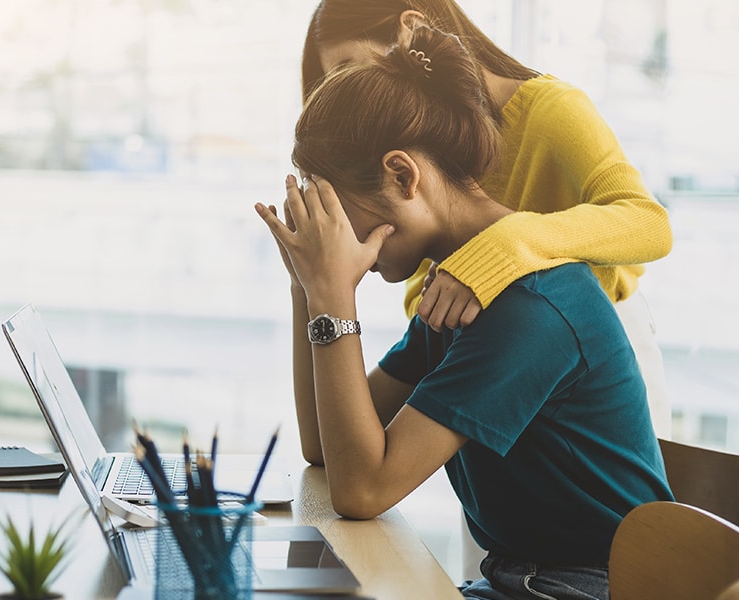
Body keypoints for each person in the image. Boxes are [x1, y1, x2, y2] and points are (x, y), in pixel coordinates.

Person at [255, 25, 672, 600]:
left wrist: (333, 296)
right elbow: (327, 450)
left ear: (403, 176)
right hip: (517, 582)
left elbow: (364, 490)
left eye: (335, 210)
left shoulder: (526, 306)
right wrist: (307, 285)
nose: (335, 237)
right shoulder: (459, 286)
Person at [301, 0, 674, 437]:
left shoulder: (551, 112)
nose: (347, 96)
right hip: (489, 353)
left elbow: (649, 222)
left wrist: (504, 244)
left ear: (411, 29)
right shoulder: (419, 164)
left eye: (347, 69)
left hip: (589, 365)